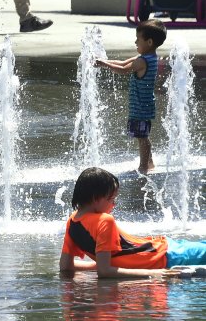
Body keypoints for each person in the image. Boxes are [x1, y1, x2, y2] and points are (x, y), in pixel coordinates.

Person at [59, 167, 206, 278]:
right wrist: (154, 273)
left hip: (162, 249)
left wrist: (102, 264)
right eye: (112, 199)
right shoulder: (104, 221)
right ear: (96, 198)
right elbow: (105, 272)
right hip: (165, 256)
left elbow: (66, 266)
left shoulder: (73, 221)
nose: (114, 204)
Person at [94, 19, 166, 175]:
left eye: (138, 39)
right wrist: (102, 62)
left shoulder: (142, 61)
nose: (135, 42)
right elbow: (122, 62)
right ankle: (150, 163)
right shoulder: (148, 57)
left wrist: (104, 65)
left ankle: (143, 167)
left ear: (149, 42)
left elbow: (122, 69)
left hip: (140, 106)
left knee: (142, 137)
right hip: (143, 104)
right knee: (142, 135)